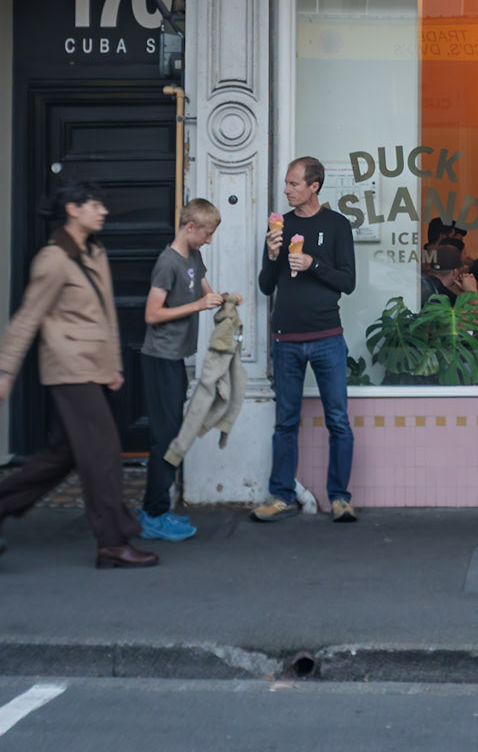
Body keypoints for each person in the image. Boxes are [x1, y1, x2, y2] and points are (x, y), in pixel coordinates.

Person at [0, 181, 157, 569]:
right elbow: (27, 318)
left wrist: (113, 365)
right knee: (103, 455)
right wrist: (5, 370)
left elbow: (104, 315)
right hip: (69, 368)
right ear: (72, 209)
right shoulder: (53, 260)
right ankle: (112, 543)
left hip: (92, 366)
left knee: (61, 457)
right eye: (95, 204)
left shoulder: (93, 251)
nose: (103, 211)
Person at [253, 155, 359, 524]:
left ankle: (340, 498)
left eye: (294, 184)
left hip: (328, 337)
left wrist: (313, 264)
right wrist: (272, 255)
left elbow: (348, 282)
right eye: (287, 183)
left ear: (314, 186)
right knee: (285, 422)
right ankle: (282, 496)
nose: (286, 190)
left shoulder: (337, 225)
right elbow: (266, 286)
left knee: (338, 421)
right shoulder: (280, 226)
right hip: (286, 339)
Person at [139, 196, 233, 543]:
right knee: (166, 438)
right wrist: (198, 305)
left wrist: (225, 300)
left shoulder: (194, 255)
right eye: (206, 234)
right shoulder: (167, 262)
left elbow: (208, 293)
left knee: (173, 435)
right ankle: (153, 515)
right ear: (190, 227)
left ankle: (157, 510)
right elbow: (152, 314)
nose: (209, 240)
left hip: (175, 357)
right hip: (159, 358)